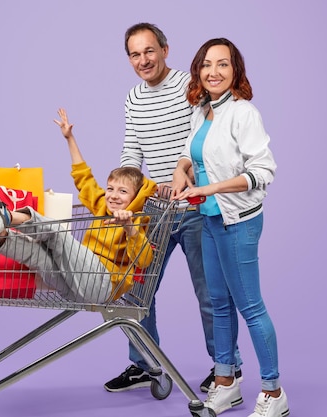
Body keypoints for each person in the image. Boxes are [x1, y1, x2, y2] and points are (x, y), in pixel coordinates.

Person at [105, 22, 242, 394]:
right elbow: (132, 150)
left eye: (149, 51)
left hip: (196, 207)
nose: (143, 60)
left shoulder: (191, 86)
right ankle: (146, 364)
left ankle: (226, 368)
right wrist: (121, 189)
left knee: (211, 292)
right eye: (135, 54)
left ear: (165, 49)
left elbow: (207, 140)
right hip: (154, 212)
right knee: (136, 289)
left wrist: (185, 177)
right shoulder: (133, 98)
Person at [171, 38, 289, 417]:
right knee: (218, 305)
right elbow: (191, 155)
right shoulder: (201, 110)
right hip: (207, 218)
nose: (213, 72)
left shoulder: (243, 113)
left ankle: (273, 392)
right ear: (198, 71)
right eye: (207, 64)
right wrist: (180, 173)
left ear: (235, 70)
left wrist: (209, 188)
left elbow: (262, 172)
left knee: (250, 307)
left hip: (238, 221)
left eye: (223, 64)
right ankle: (226, 384)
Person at [0, 108, 158, 303]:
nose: (113, 196)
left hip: (103, 284)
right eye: (111, 189)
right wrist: (69, 138)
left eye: (122, 192)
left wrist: (129, 228)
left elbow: (144, 261)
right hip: (74, 284)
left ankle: (6, 216)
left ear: (135, 196)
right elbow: (84, 178)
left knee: (57, 233)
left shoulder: (137, 219)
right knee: (38, 256)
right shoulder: (101, 205)